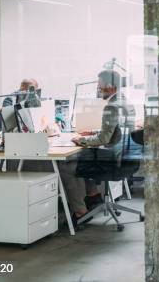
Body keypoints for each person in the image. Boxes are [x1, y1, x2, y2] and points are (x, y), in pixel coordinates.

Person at [61, 70, 135, 222]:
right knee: (82, 157)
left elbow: (104, 138)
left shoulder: (112, 106)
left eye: (100, 86)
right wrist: (92, 132)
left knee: (66, 166)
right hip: (123, 157)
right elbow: (113, 131)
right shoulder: (124, 101)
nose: (98, 90)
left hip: (112, 160)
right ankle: (94, 197)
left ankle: (80, 211)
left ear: (111, 87)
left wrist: (81, 140)